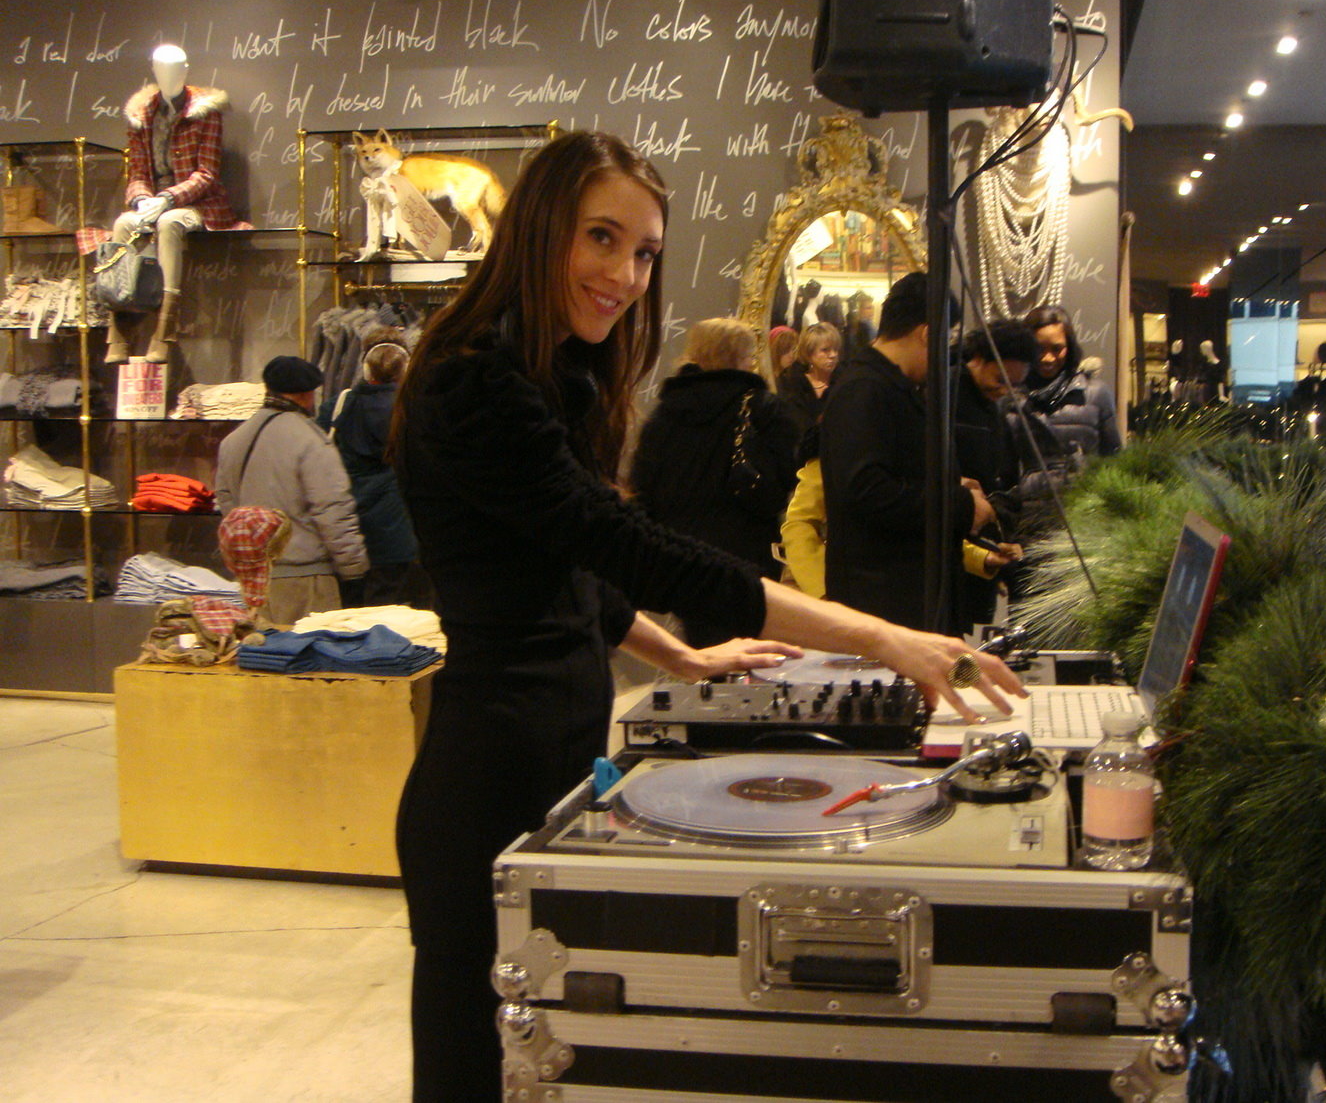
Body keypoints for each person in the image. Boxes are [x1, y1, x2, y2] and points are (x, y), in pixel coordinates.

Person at [389, 131, 1023, 1101]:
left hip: (548, 757)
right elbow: (624, 544)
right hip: (484, 781)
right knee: (472, 1072)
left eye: (644, 252)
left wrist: (678, 658)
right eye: (601, 238)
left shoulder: (549, 373)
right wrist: (879, 637)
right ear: (540, 227)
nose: (625, 275)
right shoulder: (473, 379)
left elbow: (573, 575)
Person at [819, 271, 999, 632]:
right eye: (945, 341)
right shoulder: (864, 389)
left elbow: (891, 471)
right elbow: (867, 491)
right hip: (887, 606)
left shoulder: (886, 385)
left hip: (905, 601)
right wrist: (961, 505)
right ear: (928, 334)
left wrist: (955, 485)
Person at [629, 317, 800, 645]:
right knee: (754, 649)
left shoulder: (667, 412)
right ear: (744, 357)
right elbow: (785, 478)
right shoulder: (764, 409)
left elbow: (643, 486)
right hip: (750, 552)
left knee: (705, 649)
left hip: (684, 556)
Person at [107, 44, 251, 364]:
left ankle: (164, 331)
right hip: (153, 200)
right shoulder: (141, 113)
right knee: (122, 224)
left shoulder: (204, 111)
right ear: (153, 70)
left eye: (175, 69)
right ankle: (119, 331)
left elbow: (207, 173)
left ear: (185, 70)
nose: (168, 75)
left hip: (197, 201)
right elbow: (138, 171)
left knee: (169, 223)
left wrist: (168, 199)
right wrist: (143, 198)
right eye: (161, 69)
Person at [215, 355, 369, 625]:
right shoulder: (310, 440)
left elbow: (228, 504)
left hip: (254, 581)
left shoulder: (233, 440)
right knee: (312, 662)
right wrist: (354, 569)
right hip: (306, 578)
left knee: (262, 660)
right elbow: (332, 510)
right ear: (307, 394)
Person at [330, 338, 426, 608]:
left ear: (366, 369)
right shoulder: (410, 410)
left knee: (348, 610)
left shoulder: (341, 404)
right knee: (389, 608)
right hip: (396, 525)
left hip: (348, 521)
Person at [953, 320, 1035, 631]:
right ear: (978, 358)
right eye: (1000, 380)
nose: (1004, 391)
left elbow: (1004, 478)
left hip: (983, 558)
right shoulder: (945, 395)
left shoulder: (995, 409)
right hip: (947, 564)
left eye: (1014, 385)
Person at [1008, 305, 1122, 494]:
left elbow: (1113, 462)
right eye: (1039, 349)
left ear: (1069, 347)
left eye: (1057, 348)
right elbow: (1005, 473)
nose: (1048, 358)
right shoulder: (1011, 400)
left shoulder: (1096, 393)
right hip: (1028, 514)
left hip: (1085, 512)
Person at [775, 320, 840, 447]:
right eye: (825, 350)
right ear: (809, 354)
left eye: (836, 349)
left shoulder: (844, 383)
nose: (833, 355)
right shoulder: (792, 385)